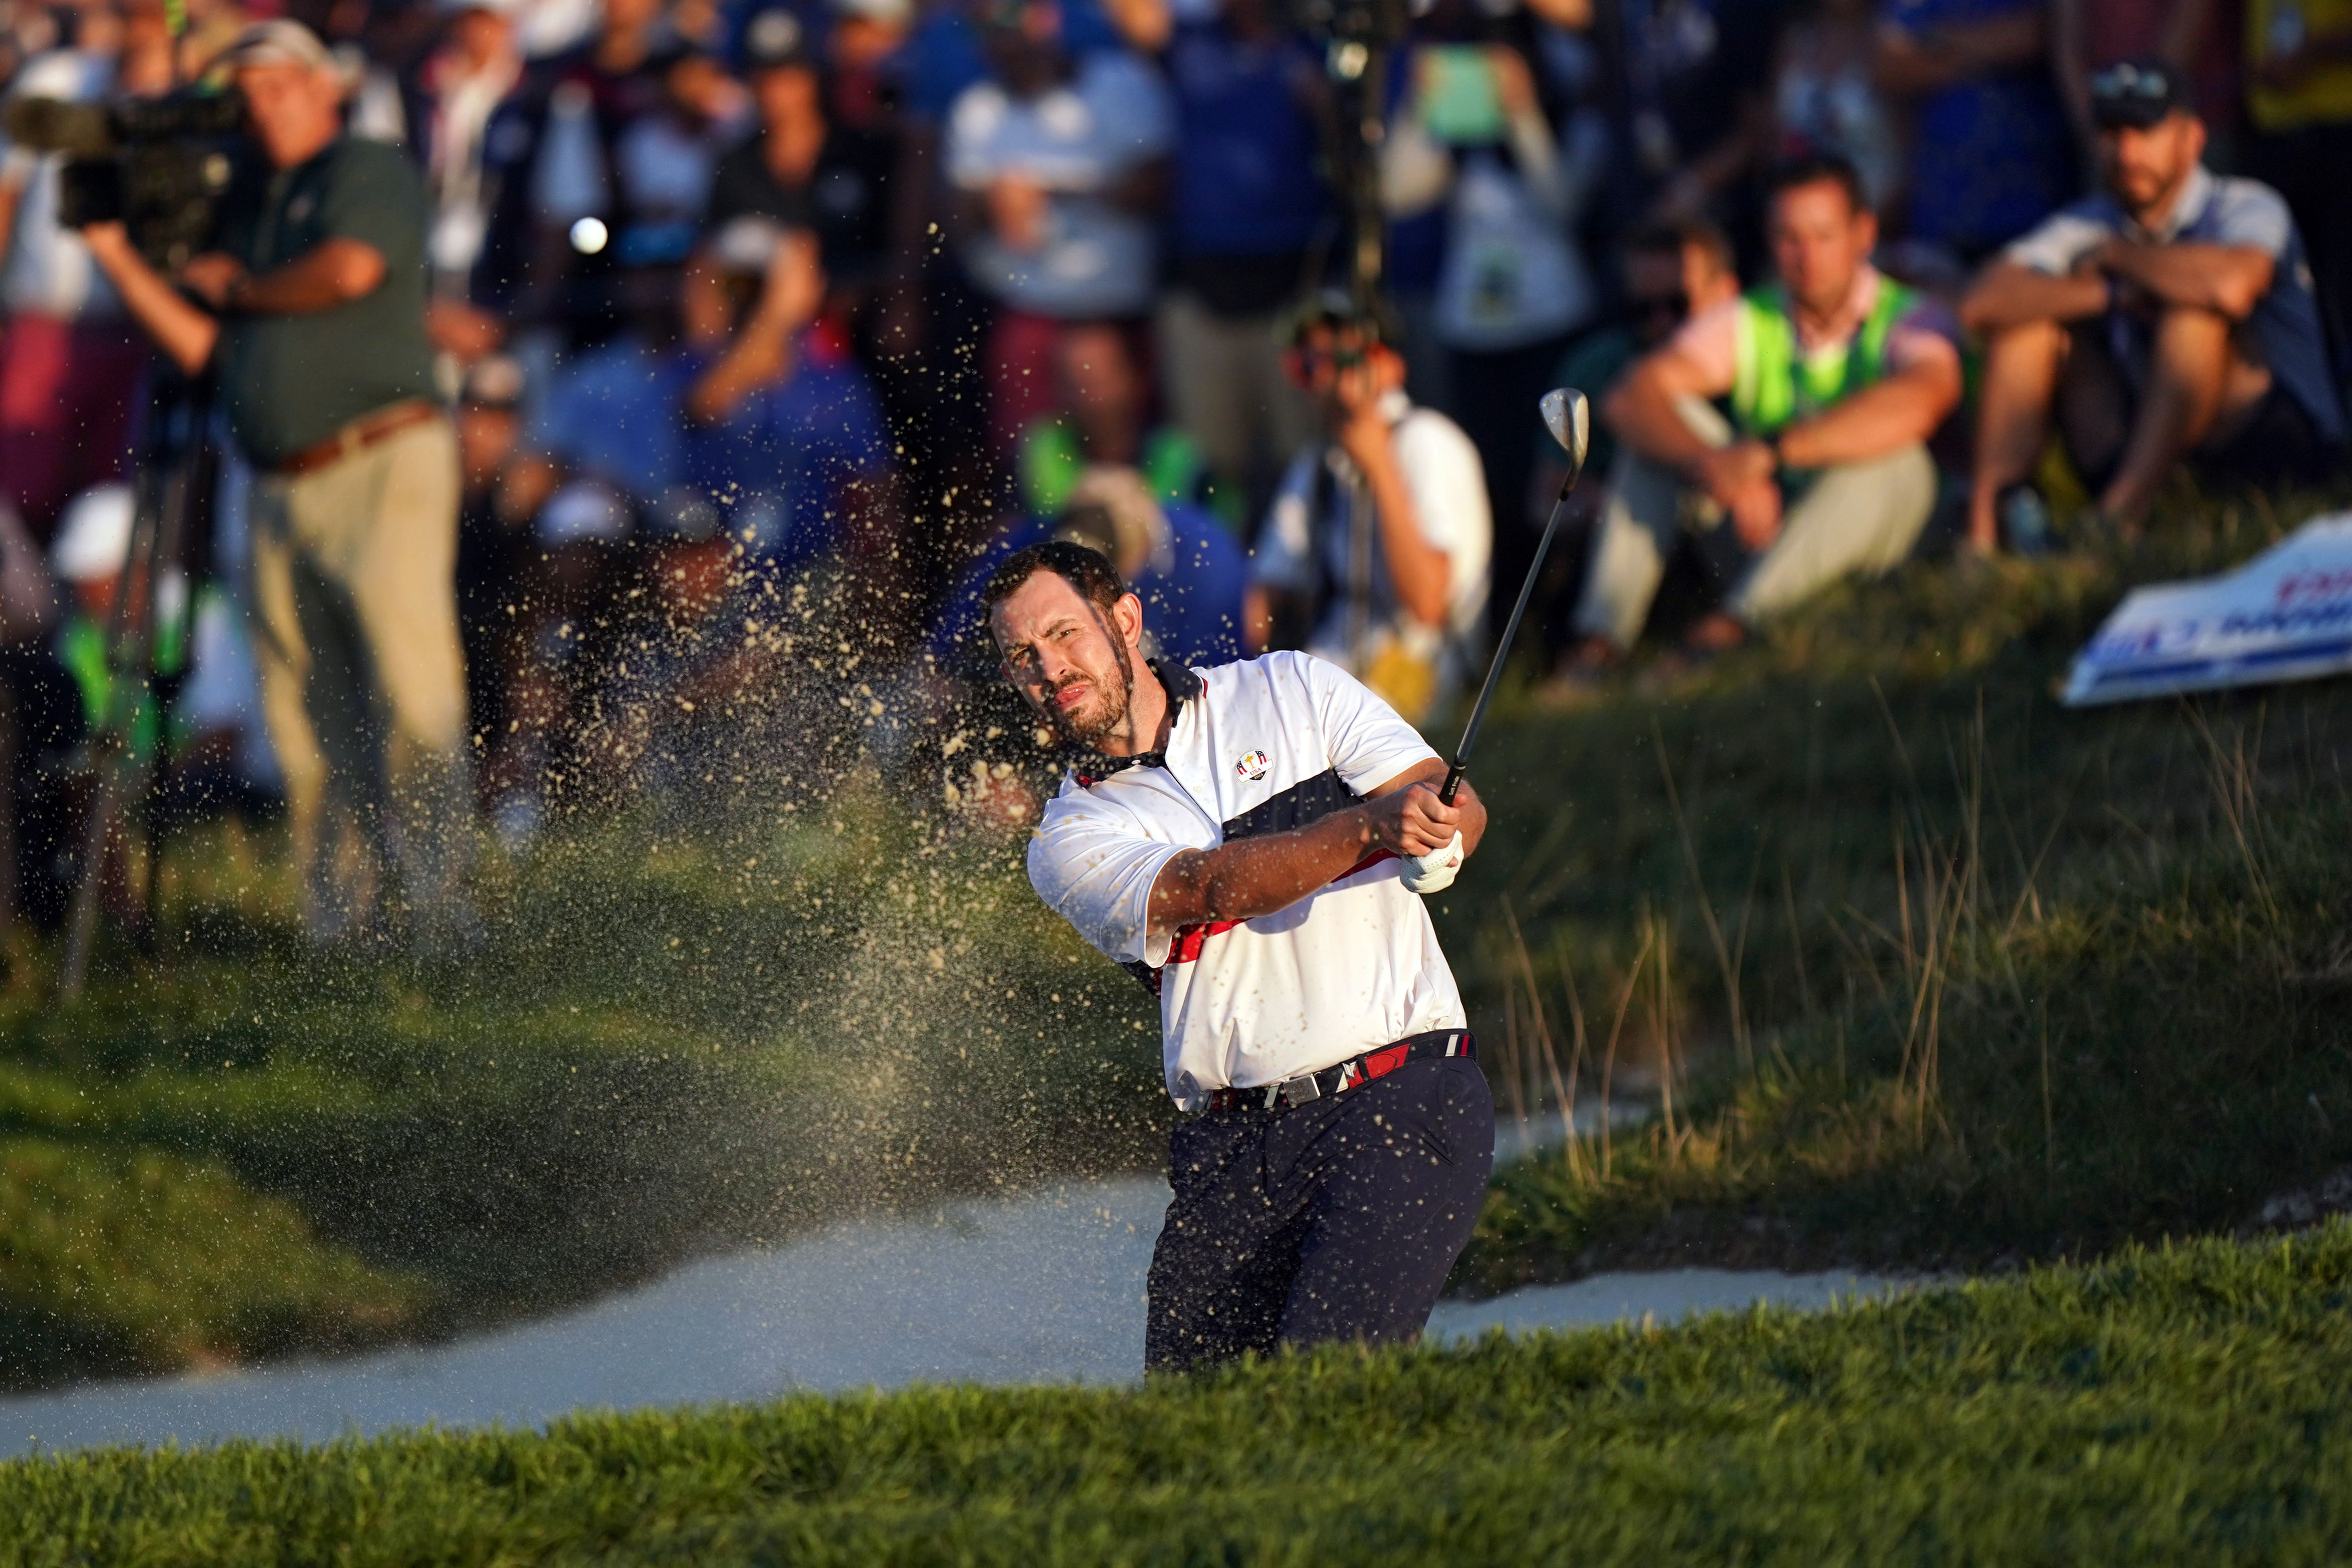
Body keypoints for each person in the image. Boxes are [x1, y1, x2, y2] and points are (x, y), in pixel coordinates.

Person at [987, 538, 1493, 1375]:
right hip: (1231, 1154)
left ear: (1124, 618)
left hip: (1398, 1099)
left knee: (1322, 1389)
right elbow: (1208, 887)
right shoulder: (1068, 837)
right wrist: (1369, 826)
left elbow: (1444, 794)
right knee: (1197, 1441)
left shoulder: (1292, 685)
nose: (1049, 667)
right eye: (1022, 657)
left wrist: (1445, 830)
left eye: (1064, 633)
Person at [82, 20, 473, 944]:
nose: (264, 106)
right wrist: (117, 258)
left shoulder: (363, 169)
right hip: (275, 477)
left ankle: (439, 909)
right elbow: (206, 347)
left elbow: (352, 268)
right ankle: (341, 918)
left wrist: (239, 287)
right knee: (301, 707)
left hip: (378, 455)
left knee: (411, 688)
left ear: (323, 88)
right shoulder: (251, 205)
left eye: (280, 86)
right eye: (248, 93)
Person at [1564, 154, 1961, 669]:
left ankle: (1732, 631)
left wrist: (1767, 454)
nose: (1807, 257)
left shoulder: (1913, 316)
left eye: (1823, 236)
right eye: (1789, 238)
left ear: (1863, 234)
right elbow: (1630, 397)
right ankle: (1599, 645)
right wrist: (1713, 463)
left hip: (1887, 546)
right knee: (1658, 439)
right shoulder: (1753, 317)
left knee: (1897, 459)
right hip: (1766, 533)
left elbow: (1923, 399)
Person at [1963, 61, 2348, 547]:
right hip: (2152, 444)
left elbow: (2231, 288)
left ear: (2191, 138)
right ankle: (1981, 538)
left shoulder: (2245, 203)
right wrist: (2110, 294)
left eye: (2144, 131)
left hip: (2278, 446)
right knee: (2024, 326)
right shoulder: (2090, 222)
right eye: (2110, 132)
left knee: (2193, 318)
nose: (2126, 152)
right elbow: (1980, 303)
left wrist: (2120, 256)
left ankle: (2117, 520)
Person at [1248, 295, 1492, 728]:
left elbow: (1427, 606)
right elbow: (1268, 591)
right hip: (1338, 656)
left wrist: (1379, 466)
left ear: (1389, 368)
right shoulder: (1319, 460)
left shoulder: (1426, 440)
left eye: (1338, 360)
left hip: (1423, 661)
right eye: (1308, 363)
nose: (1321, 378)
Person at [943, 0, 1171, 462]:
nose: (999, 40)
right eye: (983, 28)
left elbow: (1158, 188)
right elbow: (955, 222)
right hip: (1030, 315)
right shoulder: (977, 112)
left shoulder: (1120, 84)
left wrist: (1049, 193)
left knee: (1135, 466)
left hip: (1119, 315)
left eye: (1008, 21)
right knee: (1030, 473)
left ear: (1046, 18)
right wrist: (993, 207)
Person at [0, 9, 170, 539]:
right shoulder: (59, 80)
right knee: (20, 488)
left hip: (131, 330)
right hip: (44, 320)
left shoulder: (178, 102)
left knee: (103, 503)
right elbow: (7, 191)